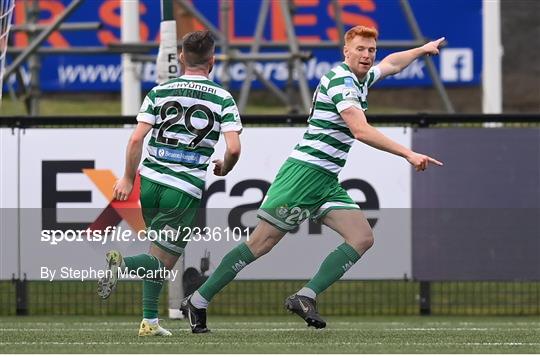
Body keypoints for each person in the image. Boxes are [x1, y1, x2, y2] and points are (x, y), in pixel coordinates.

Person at [180, 25, 444, 333]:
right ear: (346, 52)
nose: (368, 55)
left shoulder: (360, 79)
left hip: (325, 180)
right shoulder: (342, 81)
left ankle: (305, 296)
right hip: (304, 175)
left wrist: (422, 50)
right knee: (260, 244)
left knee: (361, 237)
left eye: (371, 50)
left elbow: (392, 64)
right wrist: (408, 154)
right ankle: (198, 300)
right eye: (360, 49)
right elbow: (360, 130)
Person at [96, 30, 242, 337]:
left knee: (158, 255)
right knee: (161, 261)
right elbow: (234, 148)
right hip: (182, 189)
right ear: (212, 61)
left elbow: (137, 137)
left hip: (149, 183)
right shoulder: (222, 97)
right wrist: (225, 167)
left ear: (181, 57)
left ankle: (149, 321)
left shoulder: (159, 92)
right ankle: (120, 264)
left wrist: (126, 177)